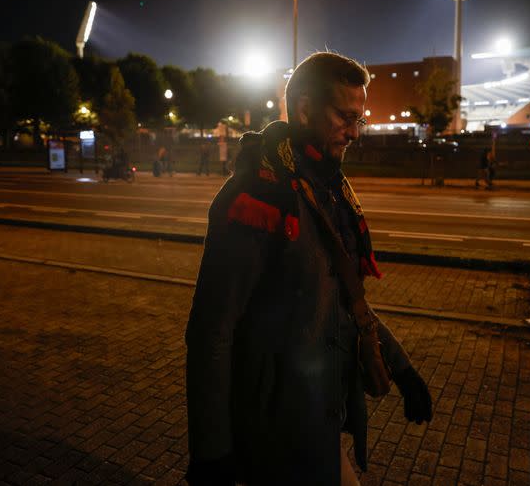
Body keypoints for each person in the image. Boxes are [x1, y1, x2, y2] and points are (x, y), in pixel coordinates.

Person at [185, 52, 433, 486]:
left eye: (360, 118)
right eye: (344, 116)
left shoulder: (329, 189)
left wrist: (402, 369)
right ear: (302, 109)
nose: (354, 132)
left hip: (319, 419)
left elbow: (344, 299)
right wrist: (211, 453)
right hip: (275, 435)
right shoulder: (257, 198)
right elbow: (211, 331)